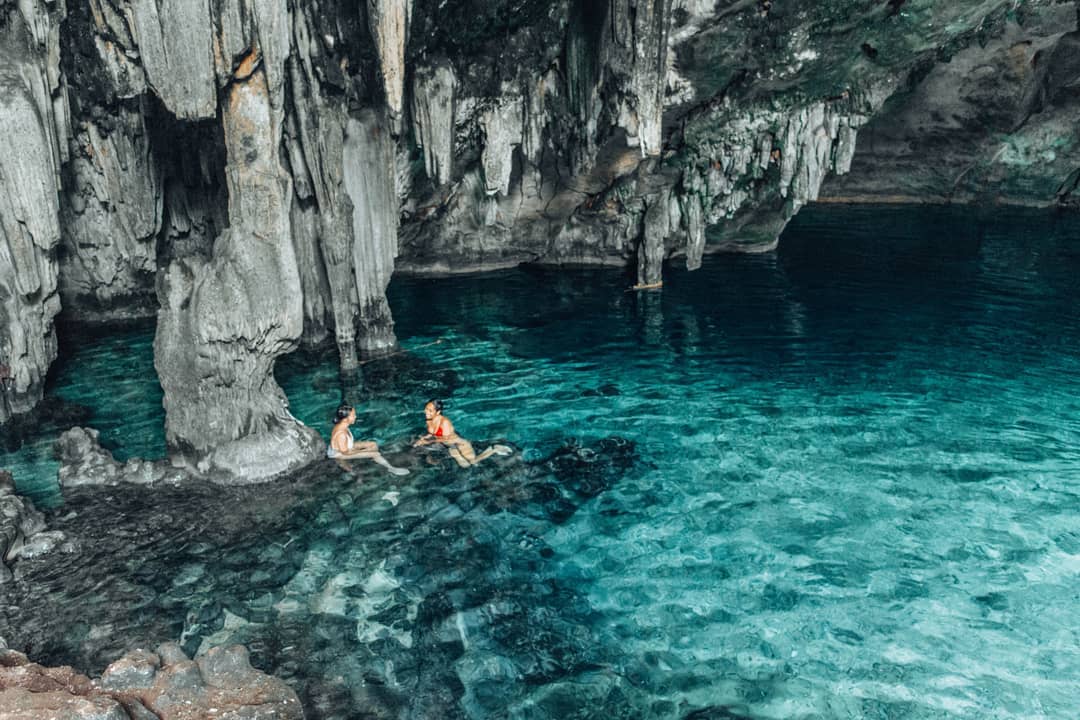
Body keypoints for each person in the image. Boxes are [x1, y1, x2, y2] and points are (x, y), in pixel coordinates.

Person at [413, 399, 512, 467]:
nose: (426, 411)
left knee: (472, 462)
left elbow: (446, 438)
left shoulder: (445, 422)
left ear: (438, 412)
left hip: (460, 444)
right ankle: (491, 449)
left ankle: (494, 448)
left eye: (430, 410)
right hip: (452, 446)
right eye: (426, 408)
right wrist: (422, 439)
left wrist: (427, 442)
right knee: (465, 465)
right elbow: (432, 433)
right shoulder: (429, 420)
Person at [328, 404, 409, 476]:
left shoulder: (342, 424)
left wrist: (366, 450)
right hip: (338, 453)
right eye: (353, 415)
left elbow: (345, 445)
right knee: (375, 453)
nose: (355, 417)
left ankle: (373, 459)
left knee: (373, 444)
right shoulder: (341, 434)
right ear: (345, 419)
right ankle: (391, 468)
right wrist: (364, 451)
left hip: (345, 447)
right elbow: (346, 452)